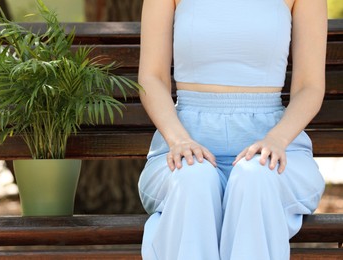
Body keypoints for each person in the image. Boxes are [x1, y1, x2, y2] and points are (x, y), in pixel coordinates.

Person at [137, 0, 327, 259]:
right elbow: (152, 77)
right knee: (192, 179)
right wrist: (179, 140)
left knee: (256, 177)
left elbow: (310, 86)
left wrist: (276, 139)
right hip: (184, 137)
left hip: (274, 140)